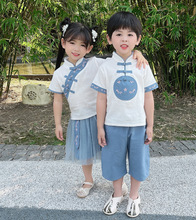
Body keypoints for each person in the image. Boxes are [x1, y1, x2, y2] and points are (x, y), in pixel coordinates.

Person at [49, 18, 148, 199]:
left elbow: (119, 59)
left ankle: (118, 181)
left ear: (89, 48)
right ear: (63, 43)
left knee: (111, 151)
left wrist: (138, 53)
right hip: (78, 118)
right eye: (72, 43)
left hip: (101, 117)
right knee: (85, 152)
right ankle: (88, 180)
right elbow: (57, 100)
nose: (76, 49)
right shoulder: (59, 73)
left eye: (82, 45)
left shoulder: (96, 63)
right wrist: (58, 124)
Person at [91, 12, 158, 217]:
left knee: (138, 163)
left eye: (130, 34)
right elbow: (101, 99)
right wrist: (100, 127)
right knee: (113, 162)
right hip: (113, 125)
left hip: (138, 125)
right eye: (118, 34)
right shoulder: (105, 67)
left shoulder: (143, 65)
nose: (124, 39)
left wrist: (150, 125)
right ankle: (118, 194)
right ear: (109, 39)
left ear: (138, 39)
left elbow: (148, 98)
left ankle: (134, 197)